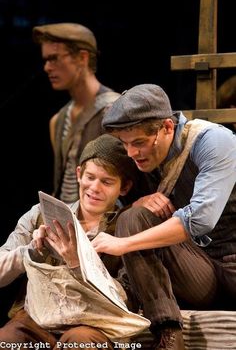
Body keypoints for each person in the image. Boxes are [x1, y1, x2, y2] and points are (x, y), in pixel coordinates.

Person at [91, 84, 236, 350]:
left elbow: (200, 219)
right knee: (131, 217)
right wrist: (138, 203)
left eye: (139, 143)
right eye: (125, 144)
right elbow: (100, 200)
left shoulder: (214, 141)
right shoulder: (140, 156)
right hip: (198, 272)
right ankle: (168, 334)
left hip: (231, 267)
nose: (132, 153)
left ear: (167, 127)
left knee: (130, 231)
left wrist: (125, 244)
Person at [0, 134, 149, 349]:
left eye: (107, 182)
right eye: (90, 177)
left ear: (124, 187)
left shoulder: (126, 226)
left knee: (80, 342)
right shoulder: (40, 215)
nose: (95, 188)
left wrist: (79, 264)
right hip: (39, 317)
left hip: (96, 323)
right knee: (7, 339)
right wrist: (30, 252)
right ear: (79, 174)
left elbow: (126, 298)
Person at [32, 22, 120, 203]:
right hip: (64, 217)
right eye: (46, 60)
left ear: (82, 57)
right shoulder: (58, 120)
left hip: (101, 221)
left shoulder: (115, 111)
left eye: (54, 58)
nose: (47, 67)